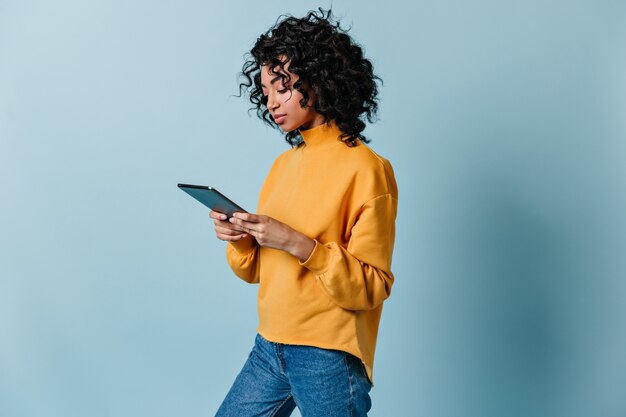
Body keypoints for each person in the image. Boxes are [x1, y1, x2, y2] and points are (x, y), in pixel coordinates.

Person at [209, 8, 398, 417]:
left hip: (327, 354)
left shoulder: (367, 169)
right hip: (270, 344)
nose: (272, 102)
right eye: (265, 91)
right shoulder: (284, 165)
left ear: (320, 78)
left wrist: (298, 243)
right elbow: (256, 271)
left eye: (283, 86)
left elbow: (372, 287)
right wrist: (241, 241)